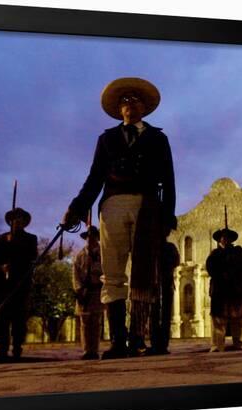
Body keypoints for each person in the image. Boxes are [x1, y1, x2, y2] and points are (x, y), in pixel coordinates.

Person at [61, 77, 176, 359]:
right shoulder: (106, 139)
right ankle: (118, 342)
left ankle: (137, 337)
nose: (130, 104)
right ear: (119, 108)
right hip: (112, 204)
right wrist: (76, 208)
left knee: (143, 274)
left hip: (147, 205)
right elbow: (94, 178)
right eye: (124, 100)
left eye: (135, 99)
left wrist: (167, 216)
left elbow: (169, 181)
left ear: (144, 107)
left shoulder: (158, 138)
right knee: (112, 272)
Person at [0, 207, 38, 359]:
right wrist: (1, 266)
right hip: (3, 285)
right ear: (10, 221)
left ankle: (17, 348)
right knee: (2, 317)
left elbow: (31, 257)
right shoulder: (2, 238)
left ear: (24, 222)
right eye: (14, 219)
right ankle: (2, 348)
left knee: (19, 318)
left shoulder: (31, 238)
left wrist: (15, 246)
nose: (16, 221)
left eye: (20, 219)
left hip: (21, 284)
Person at [205, 227, 242, 352]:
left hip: (236, 291)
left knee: (238, 320)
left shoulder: (239, 251)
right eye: (222, 237)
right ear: (220, 240)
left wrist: (231, 266)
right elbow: (211, 268)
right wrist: (222, 271)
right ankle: (217, 345)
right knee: (218, 321)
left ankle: (240, 343)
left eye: (227, 237)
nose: (224, 239)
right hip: (220, 291)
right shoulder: (214, 254)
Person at [72, 225, 105, 359]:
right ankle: (87, 350)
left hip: (97, 290)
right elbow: (75, 273)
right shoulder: (79, 255)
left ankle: (94, 350)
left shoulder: (103, 254)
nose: (90, 240)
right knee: (85, 322)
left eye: (93, 237)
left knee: (96, 322)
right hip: (84, 291)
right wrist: (79, 289)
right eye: (88, 237)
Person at [149, 231, 180, 355]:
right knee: (159, 313)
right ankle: (159, 343)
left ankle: (159, 343)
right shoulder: (168, 247)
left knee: (162, 313)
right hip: (159, 283)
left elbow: (176, 262)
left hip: (164, 282)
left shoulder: (162, 248)